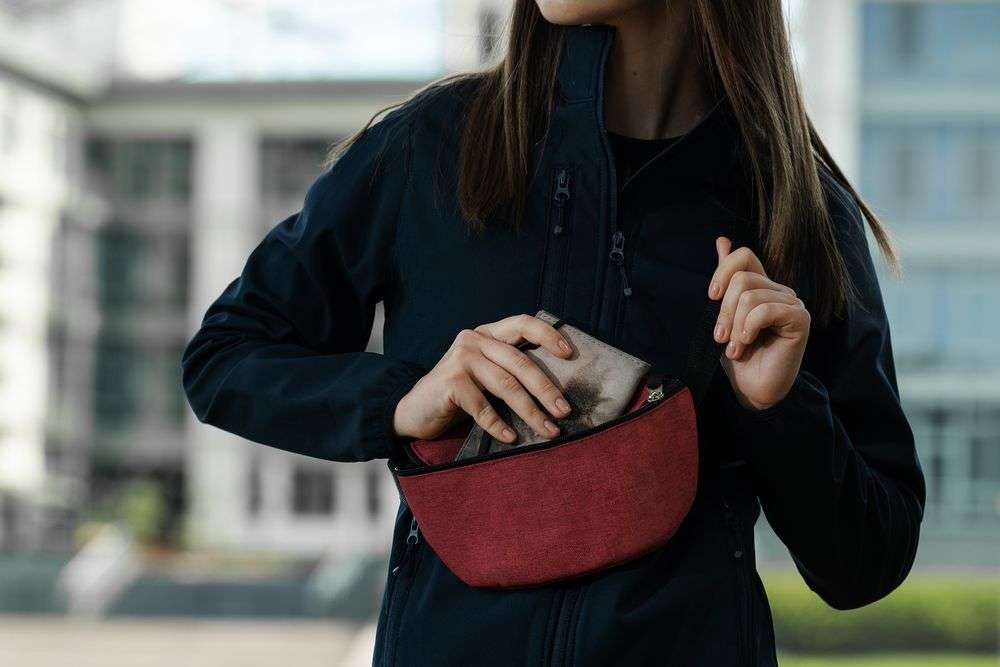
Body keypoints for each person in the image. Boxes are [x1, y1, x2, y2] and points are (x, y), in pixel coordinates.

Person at [181, 1, 926, 664]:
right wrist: (403, 401)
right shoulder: (429, 148)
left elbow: (868, 561)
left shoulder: (794, 205)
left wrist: (780, 408)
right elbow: (224, 357)